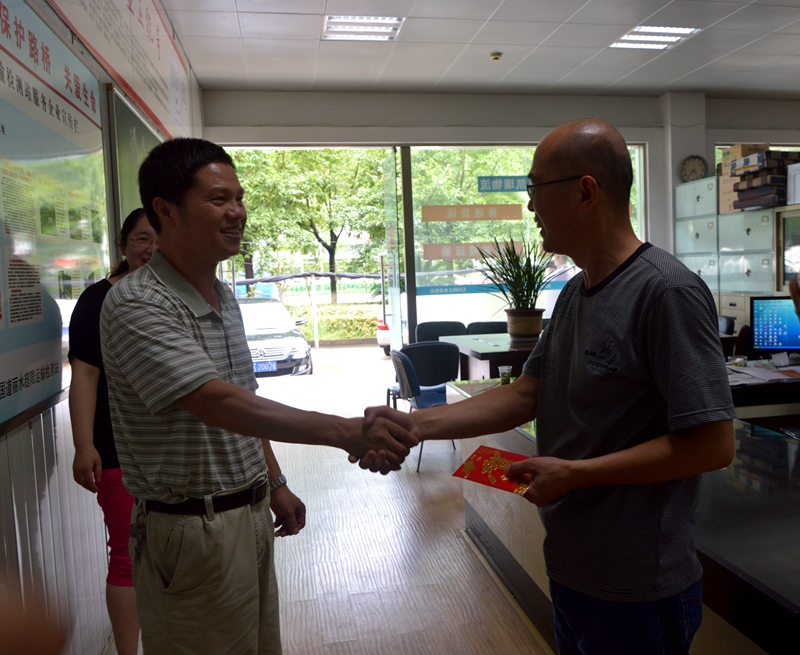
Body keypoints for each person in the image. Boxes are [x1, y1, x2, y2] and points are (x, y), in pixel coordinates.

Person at [362, 119, 736, 654]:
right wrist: (411, 425)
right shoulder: (574, 294)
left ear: (585, 192)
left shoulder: (666, 292)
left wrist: (575, 474)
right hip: (572, 569)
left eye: (536, 188)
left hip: (638, 589)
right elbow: (525, 394)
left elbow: (712, 444)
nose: (530, 205)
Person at [99, 137, 418, 655]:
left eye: (239, 198)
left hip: (248, 517)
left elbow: (243, 404)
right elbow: (215, 402)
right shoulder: (137, 302)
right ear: (166, 210)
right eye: (218, 199)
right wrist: (345, 432)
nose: (237, 212)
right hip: (190, 529)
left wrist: (274, 484)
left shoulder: (223, 296)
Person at [68, 207, 157, 655]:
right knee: (127, 556)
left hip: (176, 452)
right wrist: (84, 444)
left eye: (160, 238)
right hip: (118, 451)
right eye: (141, 238)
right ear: (123, 245)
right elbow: (84, 375)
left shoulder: (178, 294)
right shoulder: (97, 300)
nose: (151, 248)